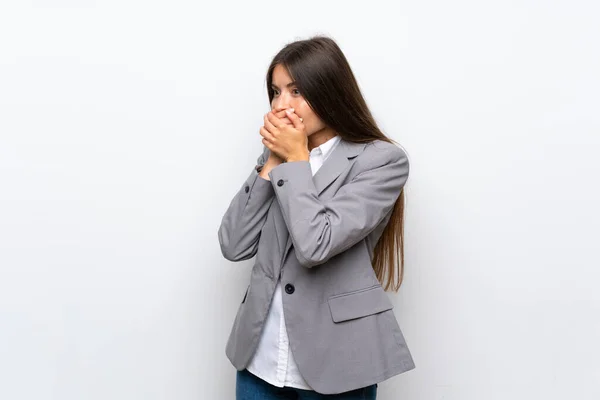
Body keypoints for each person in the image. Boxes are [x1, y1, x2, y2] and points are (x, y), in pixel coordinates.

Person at [218, 35, 415, 400]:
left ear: (329, 91)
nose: (281, 106)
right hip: (259, 357)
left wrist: (294, 160)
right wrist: (273, 161)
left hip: (336, 361)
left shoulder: (382, 161)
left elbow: (315, 245)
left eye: (296, 91)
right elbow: (234, 244)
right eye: (276, 92)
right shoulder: (279, 158)